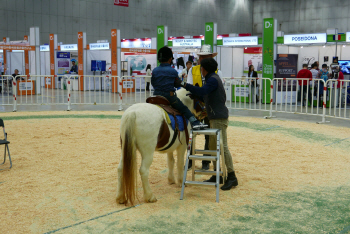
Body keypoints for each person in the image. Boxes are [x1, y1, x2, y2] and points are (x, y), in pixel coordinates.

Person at [175, 57, 238, 190]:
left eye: (201, 67)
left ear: (204, 69)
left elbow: (203, 91)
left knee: (223, 147)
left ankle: (232, 176)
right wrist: (198, 96)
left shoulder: (213, 80)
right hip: (215, 117)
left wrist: (184, 84)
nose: (200, 70)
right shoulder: (212, 79)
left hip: (219, 118)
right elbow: (206, 95)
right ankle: (217, 174)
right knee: (213, 146)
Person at [151, 46, 206, 129]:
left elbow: (153, 83)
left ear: (159, 59)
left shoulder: (154, 70)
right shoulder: (173, 71)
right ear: (170, 59)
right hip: (169, 97)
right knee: (183, 108)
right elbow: (177, 84)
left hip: (156, 95)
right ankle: (195, 122)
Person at [186, 45, 221, 171]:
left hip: (209, 107)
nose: (203, 59)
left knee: (208, 135)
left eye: (206, 57)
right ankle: (190, 159)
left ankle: (206, 161)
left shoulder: (217, 72)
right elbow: (189, 86)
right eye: (202, 57)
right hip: (195, 106)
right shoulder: (192, 70)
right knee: (190, 134)